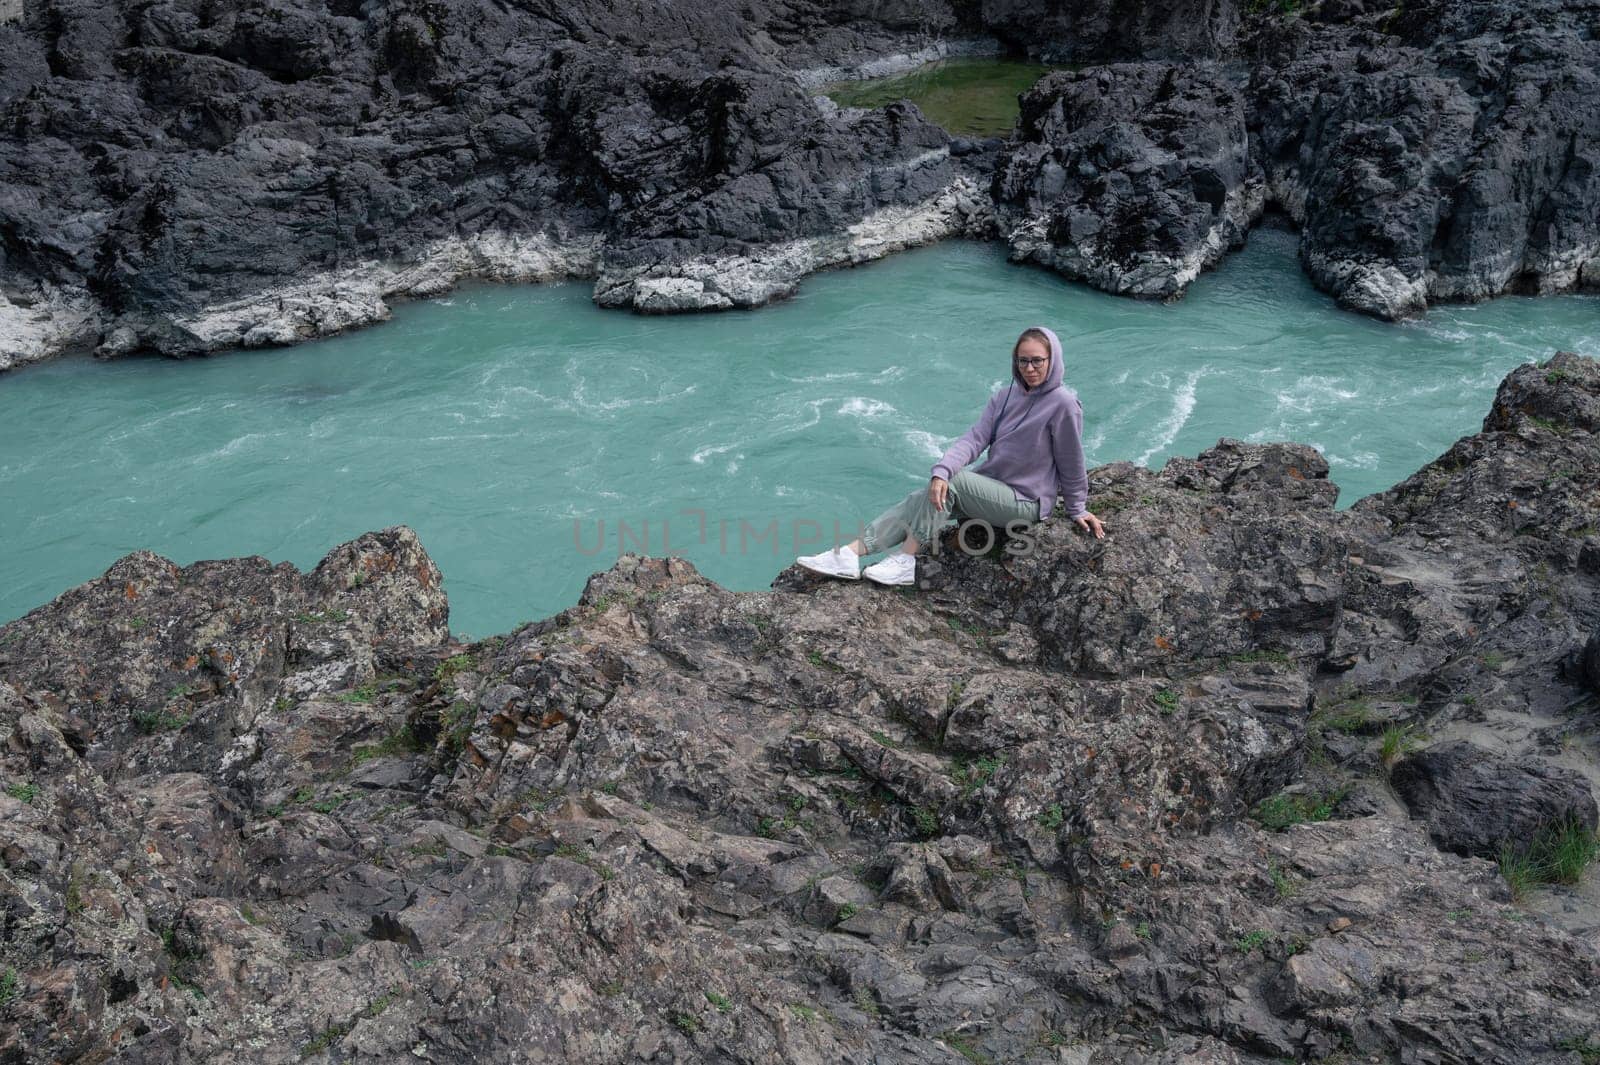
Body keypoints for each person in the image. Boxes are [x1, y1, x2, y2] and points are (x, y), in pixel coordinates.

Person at [796, 324, 1105, 586]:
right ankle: (849, 554)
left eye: (1038, 361)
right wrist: (940, 471)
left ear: (1053, 360)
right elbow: (975, 438)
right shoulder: (1005, 395)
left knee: (954, 484)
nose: (1030, 368)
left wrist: (1077, 507)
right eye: (1023, 361)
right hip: (993, 489)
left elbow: (1071, 459)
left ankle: (906, 560)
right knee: (924, 496)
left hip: (1026, 502)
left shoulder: (1064, 403)